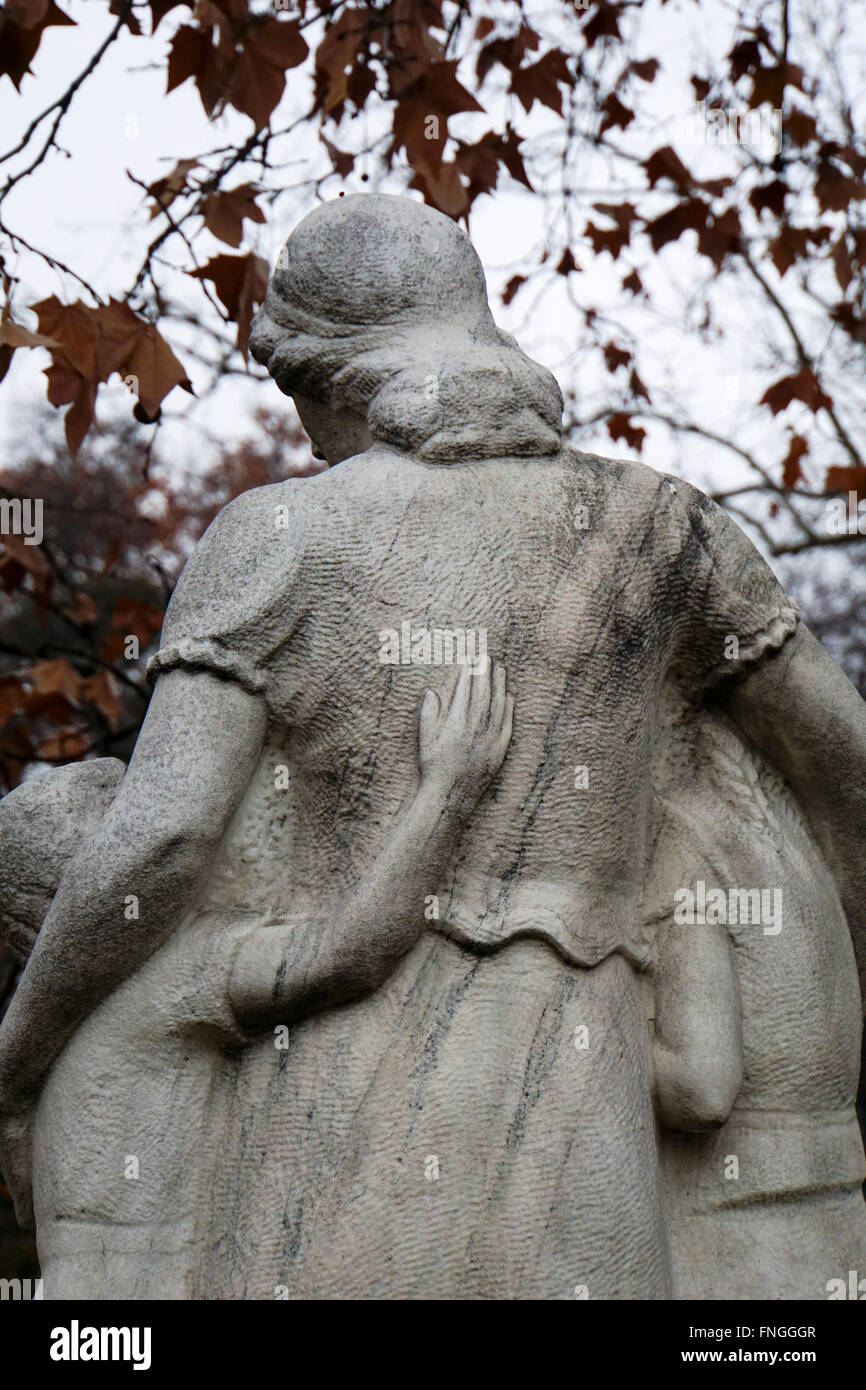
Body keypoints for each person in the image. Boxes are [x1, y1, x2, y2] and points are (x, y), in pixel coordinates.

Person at [2, 193, 865, 1298]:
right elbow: (842, 768)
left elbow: (162, 839)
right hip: (588, 1137)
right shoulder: (667, 530)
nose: (307, 435)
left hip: (335, 1129)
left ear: (325, 374)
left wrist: (18, 1062)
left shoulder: (275, 537)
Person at [1, 665, 512, 1295]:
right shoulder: (162, 981)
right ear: (93, 891)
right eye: (126, 833)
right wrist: (450, 790)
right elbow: (348, 954)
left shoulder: (51, 1059)